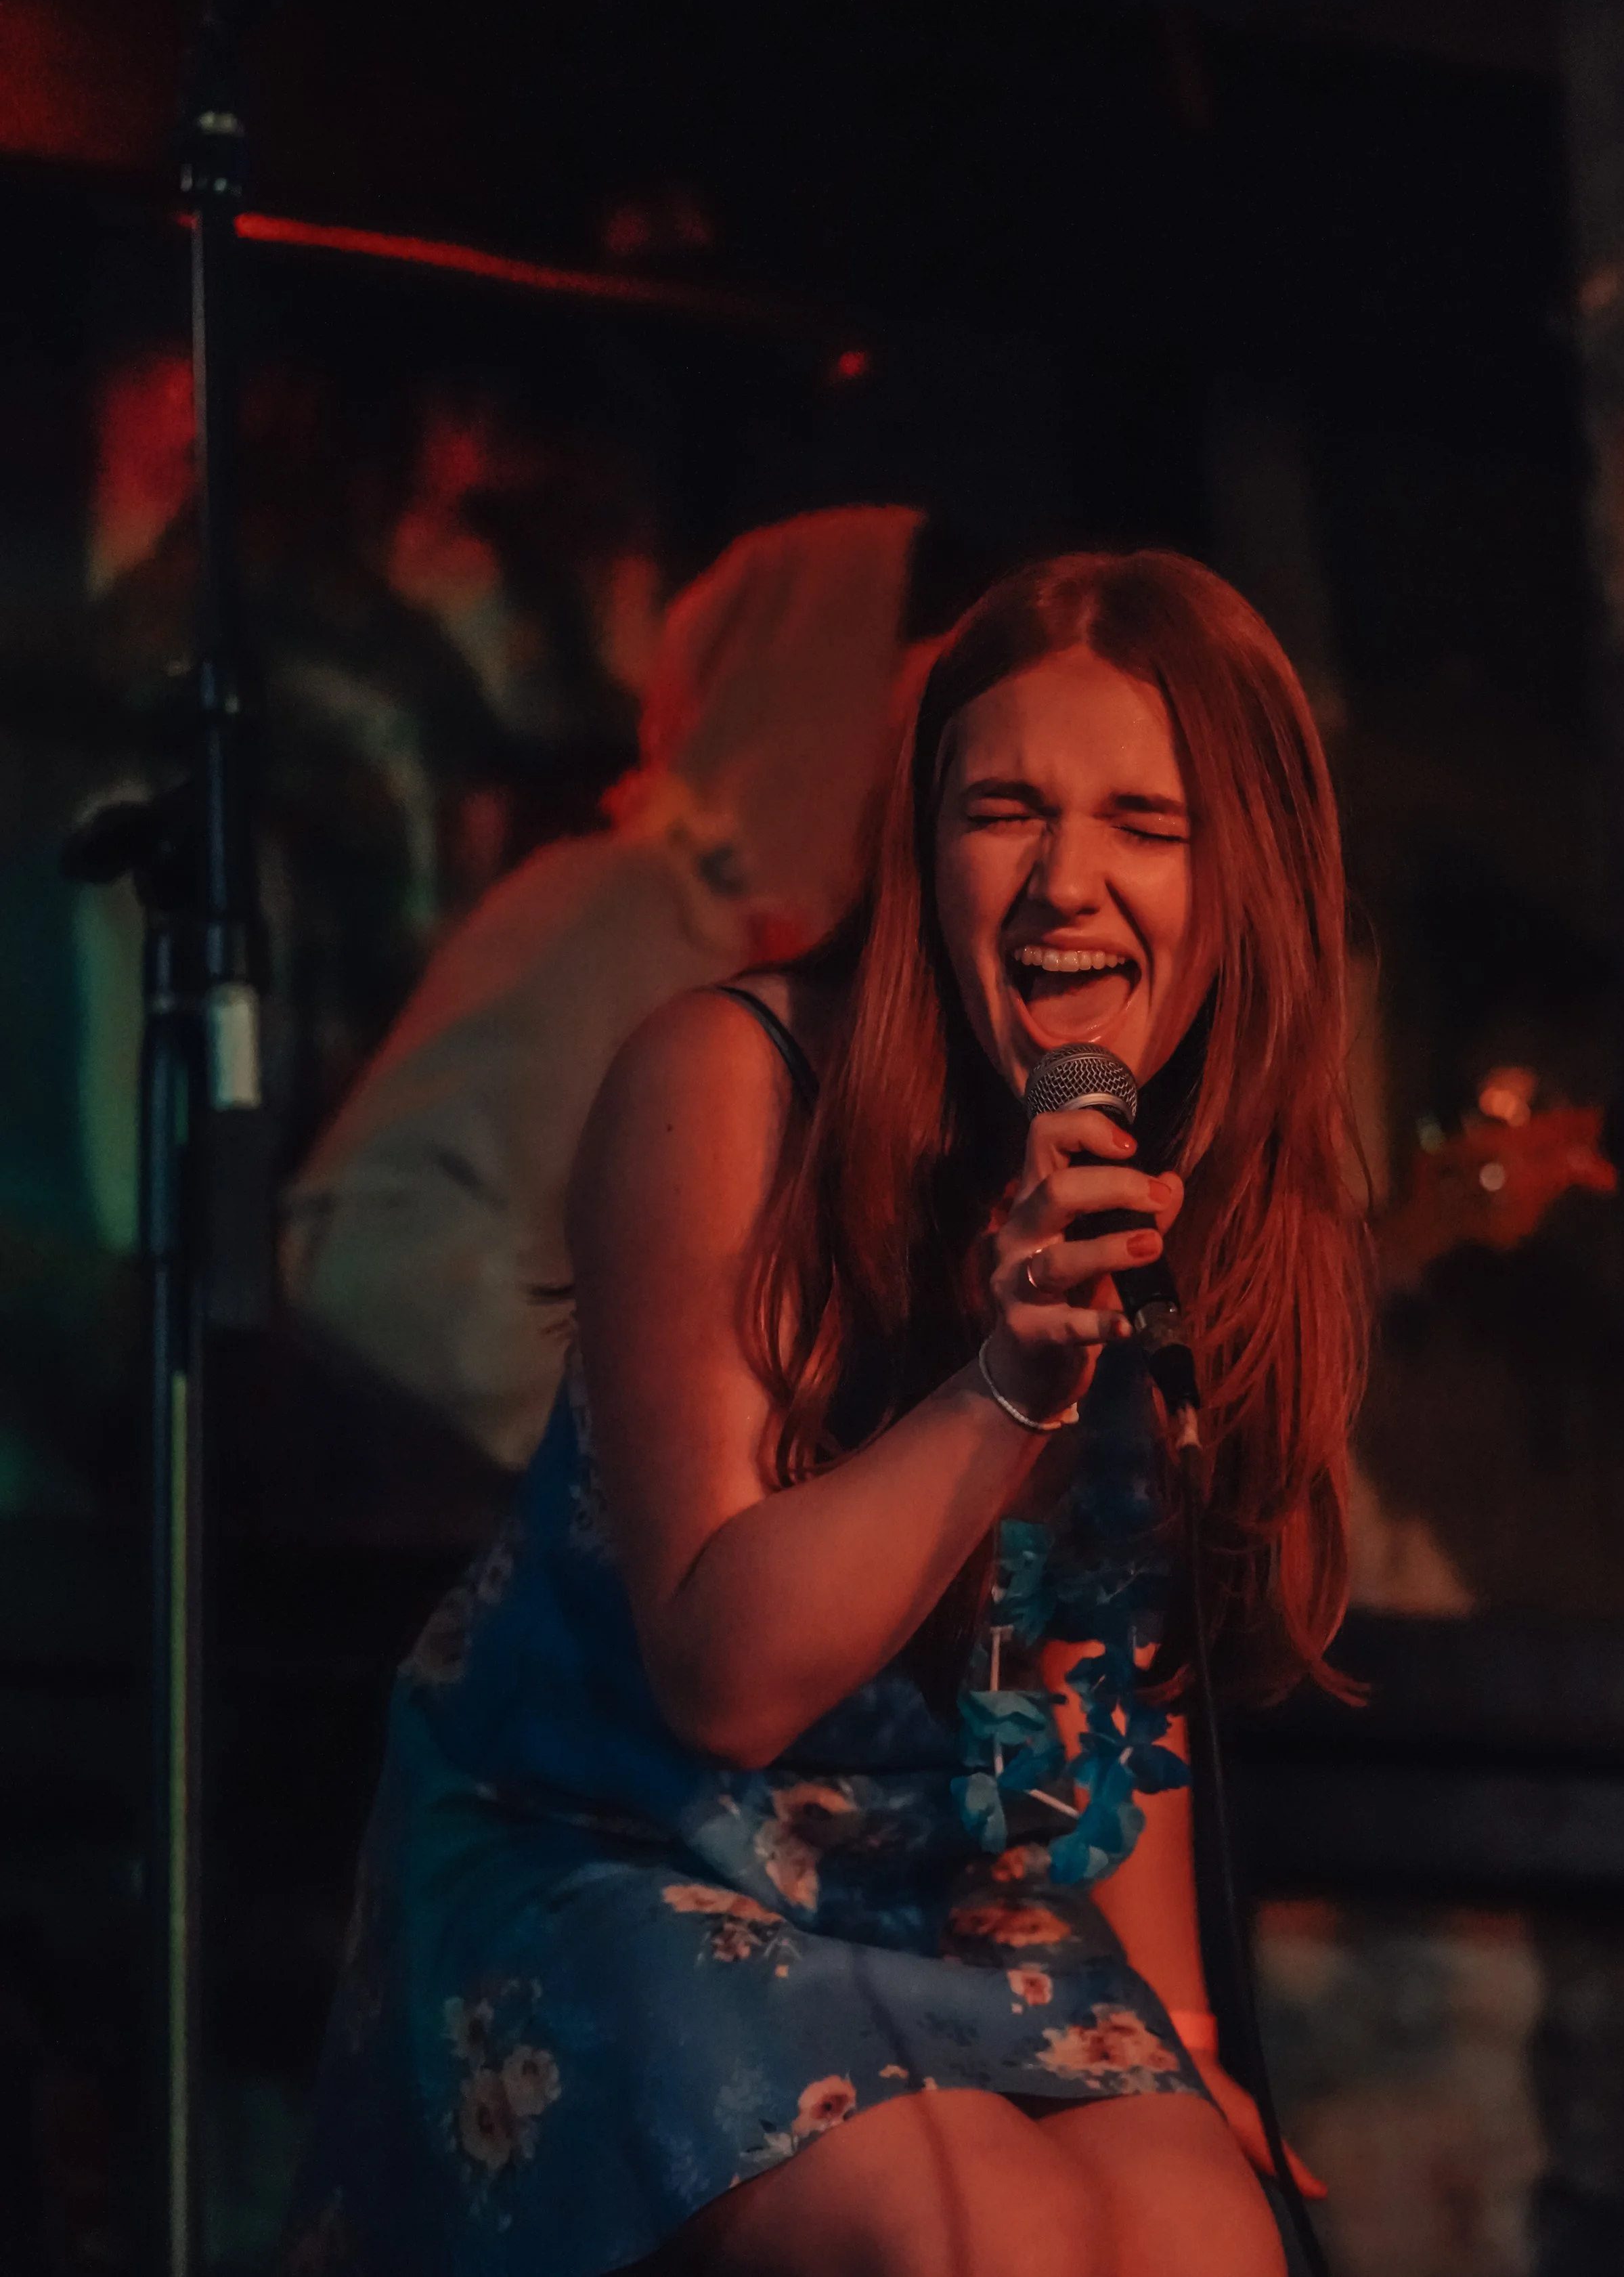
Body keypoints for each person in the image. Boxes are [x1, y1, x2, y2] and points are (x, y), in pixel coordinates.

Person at [282, 550, 1367, 2276]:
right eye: (1002, 808)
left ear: (1249, 875)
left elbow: (1095, 1646)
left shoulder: (1196, 1179)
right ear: (918, 843)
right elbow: (724, 1674)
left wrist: (1187, 2041)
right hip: (631, 1839)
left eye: (1142, 825)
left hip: (942, 1880)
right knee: (970, 2238)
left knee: (1201, 2241)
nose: (1062, 881)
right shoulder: (727, 1081)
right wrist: (1003, 1385)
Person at [281, 504, 959, 1475]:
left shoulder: (932, 996)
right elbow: (367, 1246)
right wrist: (673, 1433)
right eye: (938, 690)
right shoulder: (624, 907)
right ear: (831, 688)